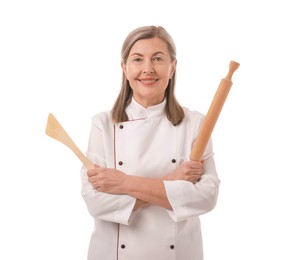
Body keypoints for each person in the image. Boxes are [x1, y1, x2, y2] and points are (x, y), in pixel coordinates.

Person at [81, 25, 220, 260]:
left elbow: (206, 196)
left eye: (157, 59)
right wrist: (172, 181)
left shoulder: (195, 123)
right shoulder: (103, 124)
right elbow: (97, 204)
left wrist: (123, 182)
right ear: (124, 68)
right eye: (137, 59)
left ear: (172, 67)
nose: (147, 69)